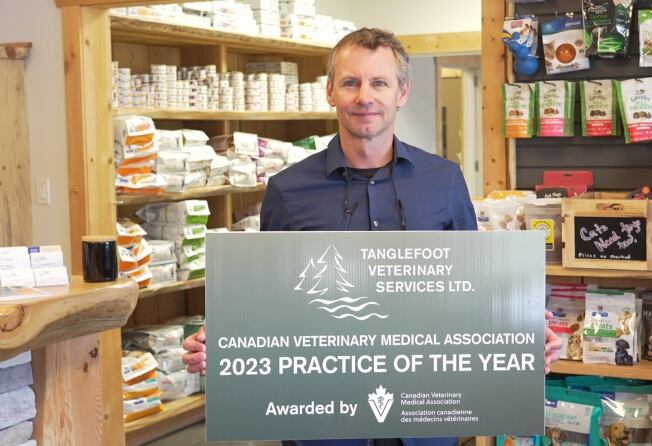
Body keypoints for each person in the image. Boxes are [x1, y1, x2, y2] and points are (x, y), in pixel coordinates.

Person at [183, 27, 562, 446]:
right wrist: (224, 343)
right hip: (323, 424)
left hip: (426, 420)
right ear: (330, 92)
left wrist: (523, 334)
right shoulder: (287, 190)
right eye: (351, 82)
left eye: (379, 82)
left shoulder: (444, 180)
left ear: (401, 92)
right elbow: (269, 303)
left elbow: (472, 294)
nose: (365, 96)